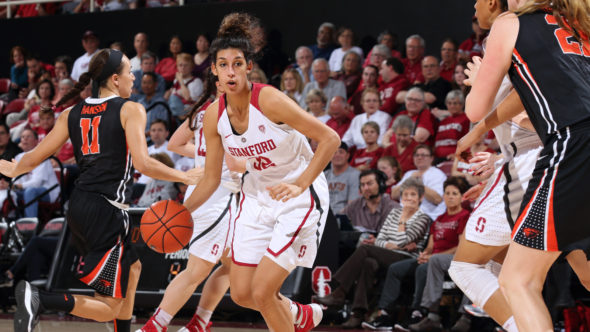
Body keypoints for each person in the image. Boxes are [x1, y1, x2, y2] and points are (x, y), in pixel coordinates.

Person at [2, 48, 200, 332]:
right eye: (129, 72)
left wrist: (9, 168)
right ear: (115, 79)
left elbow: (31, 158)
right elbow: (144, 163)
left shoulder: (72, 113)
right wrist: (184, 175)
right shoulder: (130, 108)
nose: (134, 76)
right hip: (107, 211)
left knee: (132, 269)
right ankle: (40, 300)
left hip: (79, 207)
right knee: (109, 306)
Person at [179, 13, 340, 332]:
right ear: (213, 70)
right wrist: (180, 215)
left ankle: (292, 315)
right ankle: (299, 314)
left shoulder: (268, 100)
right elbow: (211, 179)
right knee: (241, 294)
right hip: (256, 198)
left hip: (298, 195)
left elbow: (329, 138)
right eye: (222, 64)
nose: (230, 71)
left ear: (248, 66)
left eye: (237, 63)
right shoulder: (213, 117)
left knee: (264, 292)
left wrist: (300, 184)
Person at [452, 0, 590, 330]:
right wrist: (483, 134)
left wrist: (478, 82)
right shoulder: (574, 23)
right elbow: (532, 93)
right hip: (568, 149)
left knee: (517, 280)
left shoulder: (510, 23)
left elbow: (474, 108)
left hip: (568, 148)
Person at [137, 71, 240, 332]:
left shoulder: (203, 111)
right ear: (218, 85)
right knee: (196, 271)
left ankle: (200, 322)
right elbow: (236, 163)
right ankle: (154, 327)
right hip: (217, 197)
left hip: (210, 192)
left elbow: (175, 143)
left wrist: (204, 154)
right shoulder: (235, 115)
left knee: (231, 263)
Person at [315, 177, 430, 329]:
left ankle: (339, 292)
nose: (408, 198)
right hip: (388, 254)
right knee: (369, 262)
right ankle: (358, 313)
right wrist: (392, 245)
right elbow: (381, 238)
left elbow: (403, 240)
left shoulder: (423, 218)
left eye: (413, 195)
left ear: (420, 198)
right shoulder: (394, 213)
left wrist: (402, 221)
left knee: (365, 249)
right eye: (405, 195)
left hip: (408, 259)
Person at [362, 176, 469, 331]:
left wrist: (431, 258)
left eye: (455, 193)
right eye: (447, 193)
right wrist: (424, 254)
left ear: (461, 197)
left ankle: (417, 313)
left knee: (422, 269)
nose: (450, 197)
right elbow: (431, 246)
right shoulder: (439, 219)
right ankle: (385, 313)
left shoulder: (464, 216)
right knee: (396, 269)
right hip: (432, 259)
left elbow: (461, 247)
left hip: (450, 260)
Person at [12, 128, 60, 219]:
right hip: (26, 190)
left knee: (30, 191)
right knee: (10, 192)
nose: (25, 139)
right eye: (22, 137)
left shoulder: (41, 156)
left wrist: (17, 186)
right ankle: (13, 221)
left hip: (49, 191)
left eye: (28, 136)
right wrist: (11, 186)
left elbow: (37, 183)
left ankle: (30, 224)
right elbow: (17, 178)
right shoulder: (18, 157)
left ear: (36, 141)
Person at [392, 145, 446, 221]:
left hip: (426, 216)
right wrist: (410, 180)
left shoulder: (437, 174)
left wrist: (418, 183)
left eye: (423, 155)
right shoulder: (409, 174)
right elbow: (394, 194)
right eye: (416, 155)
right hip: (404, 214)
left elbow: (437, 199)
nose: (419, 157)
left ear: (431, 158)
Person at [433, 90, 470, 163]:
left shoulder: (466, 119)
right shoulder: (443, 121)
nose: (452, 106)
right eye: (449, 103)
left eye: (455, 103)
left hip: (454, 159)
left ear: (462, 105)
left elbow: (469, 142)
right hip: (438, 159)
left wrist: (458, 156)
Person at [324, 142, 360, 216]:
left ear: (347, 156)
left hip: (344, 217)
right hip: (324, 216)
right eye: (334, 152)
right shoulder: (324, 175)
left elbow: (353, 204)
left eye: (341, 152)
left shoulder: (355, 175)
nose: (337, 155)